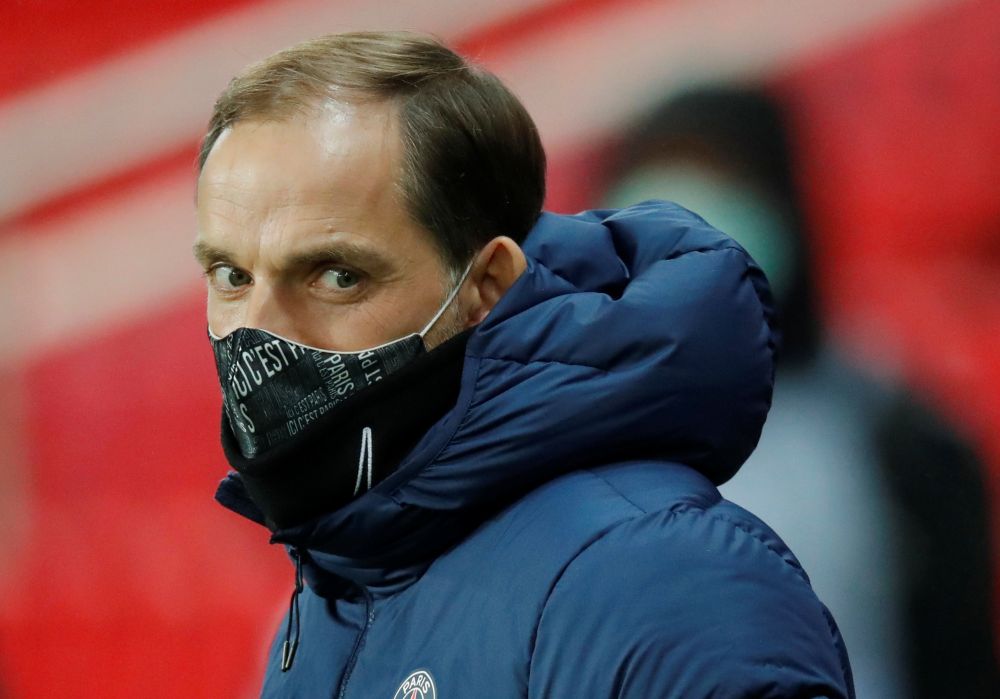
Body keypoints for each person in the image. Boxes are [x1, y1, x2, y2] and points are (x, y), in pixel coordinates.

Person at [194, 32, 854, 698]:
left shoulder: (664, 587)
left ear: (487, 286)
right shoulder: (335, 593)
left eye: (337, 275)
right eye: (230, 274)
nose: (259, 329)